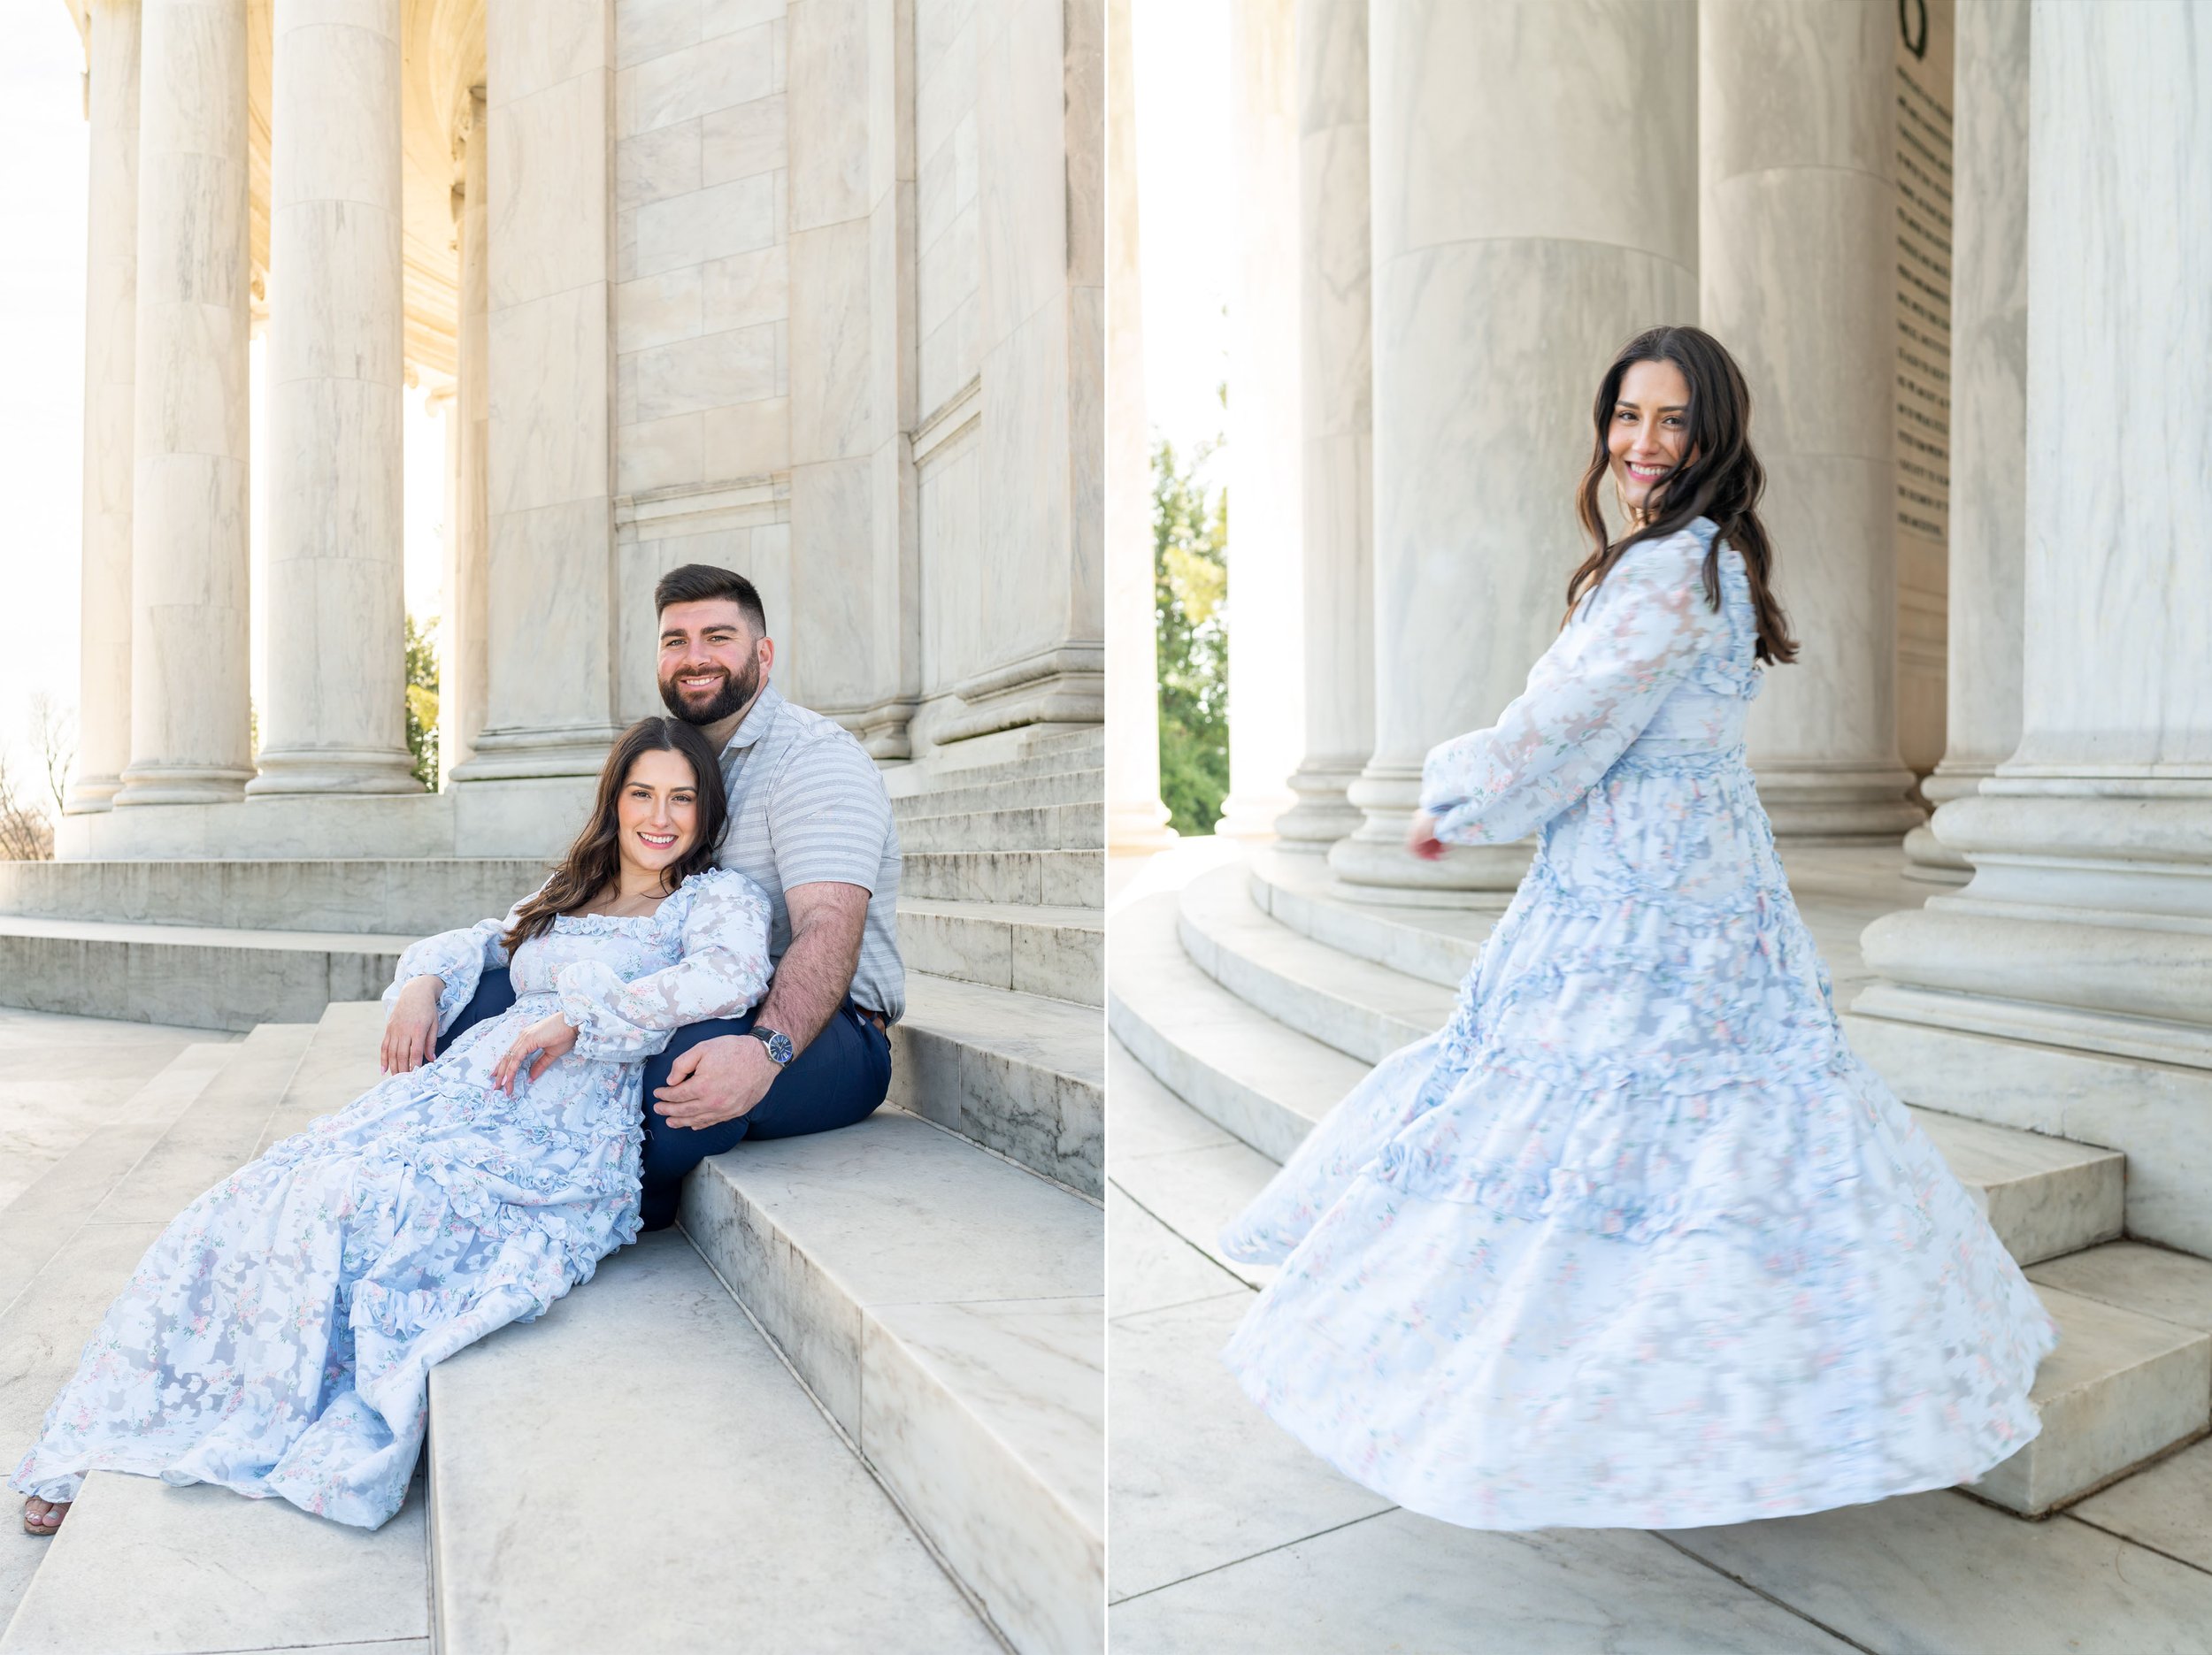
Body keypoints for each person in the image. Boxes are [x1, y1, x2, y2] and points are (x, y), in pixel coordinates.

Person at [1217, 325, 2056, 1531]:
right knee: (1713, 1127)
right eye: (1625, 417)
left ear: (1713, 434)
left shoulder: (1667, 570)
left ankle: (1599, 1404)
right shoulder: (1696, 560)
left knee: (1613, 1126)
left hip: (1647, 899)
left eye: (1671, 421)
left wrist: (1452, 797)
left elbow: (1563, 720)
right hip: (1690, 876)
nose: (1643, 444)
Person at [15, 719, 772, 1534]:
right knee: (255, 1192)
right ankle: (111, 1422)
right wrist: (421, 983)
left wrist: (582, 1020)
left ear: (705, 809)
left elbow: (727, 976)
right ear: (614, 800)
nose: (661, 816)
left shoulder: (712, 899)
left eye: (682, 798)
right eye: (643, 793)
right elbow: (479, 941)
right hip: (456, 1091)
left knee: (358, 1202)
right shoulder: (568, 889)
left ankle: (263, 1419)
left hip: (557, 1132)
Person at [434, 564, 903, 1232]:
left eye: (717, 636)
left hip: (823, 1028)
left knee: (683, 1058)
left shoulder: (813, 759)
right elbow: (540, 917)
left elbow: (828, 929)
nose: (695, 658)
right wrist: (432, 977)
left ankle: (606, 1197)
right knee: (479, 1004)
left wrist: (764, 1050)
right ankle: (454, 1153)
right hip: (682, 986)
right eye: (675, 640)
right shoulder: (674, 760)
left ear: (763, 655)